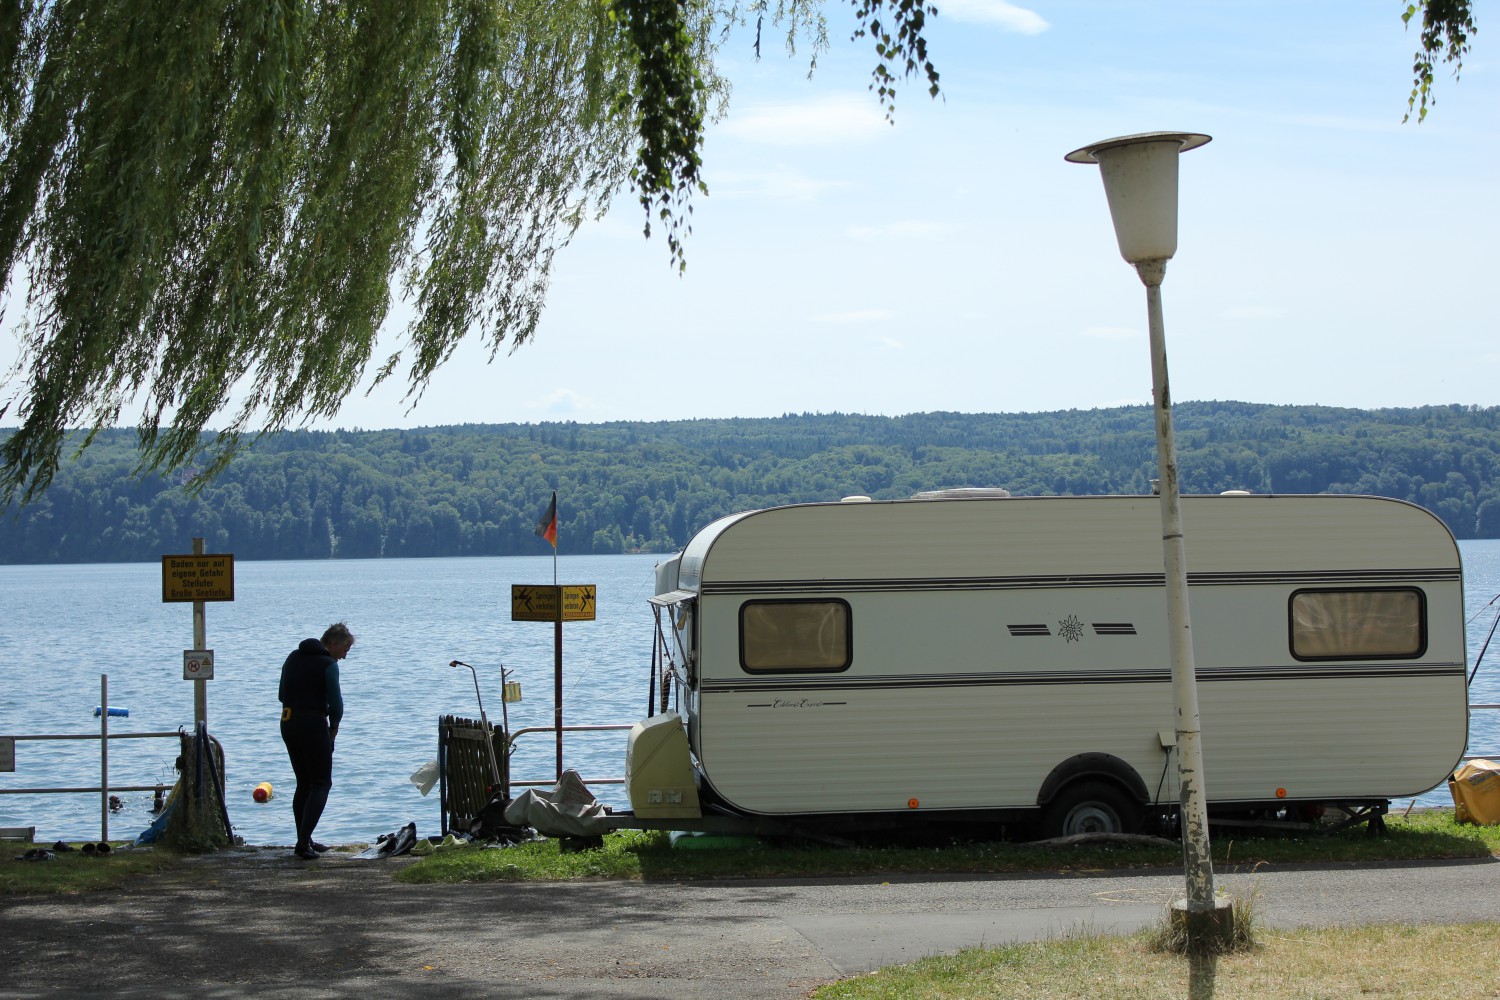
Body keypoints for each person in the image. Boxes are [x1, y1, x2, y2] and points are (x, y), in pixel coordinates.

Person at [278, 622, 354, 860]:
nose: (344, 656)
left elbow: (281, 694)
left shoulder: (293, 657)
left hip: (288, 722)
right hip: (312, 724)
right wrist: (334, 728)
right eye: (344, 649)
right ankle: (303, 843)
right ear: (332, 643)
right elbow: (336, 704)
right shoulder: (328, 664)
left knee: (303, 783)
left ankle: (305, 837)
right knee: (321, 783)